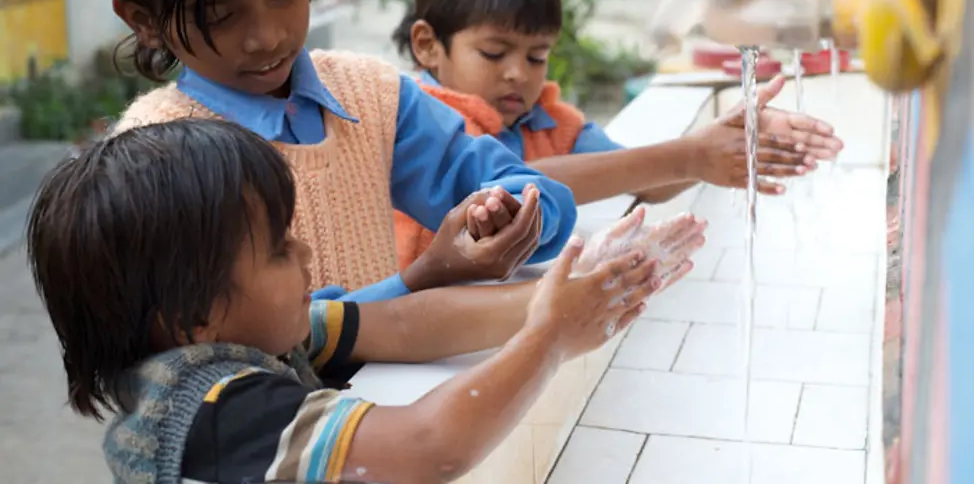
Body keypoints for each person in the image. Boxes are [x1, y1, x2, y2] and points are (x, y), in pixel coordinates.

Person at [28, 118, 705, 483]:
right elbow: (428, 448)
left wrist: (568, 293)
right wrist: (550, 339)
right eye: (277, 250)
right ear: (189, 315)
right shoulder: (211, 411)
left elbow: (403, 323)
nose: (306, 256)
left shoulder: (245, 332)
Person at [101, 0, 578, 301]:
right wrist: (424, 277)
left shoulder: (369, 97)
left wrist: (511, 216)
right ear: (143, 21)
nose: (267, 35)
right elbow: (236, 360)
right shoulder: (153, 159)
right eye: (221, 15)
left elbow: (527, 189)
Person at [390, 0, 846, 270]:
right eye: (494, 52)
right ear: (429, 44)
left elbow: (648, 178)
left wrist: (723, 138)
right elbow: (516, 185)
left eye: (537, 57)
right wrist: (691, 155)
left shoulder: (549, 122)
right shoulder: (418, 123)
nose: (517, 74)